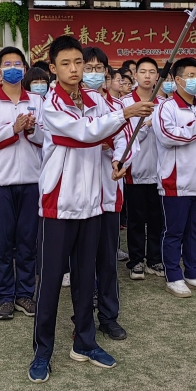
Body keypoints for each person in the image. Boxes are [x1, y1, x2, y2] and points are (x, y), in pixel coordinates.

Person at [28, 35, 153, 383]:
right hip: (59, 204)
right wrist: (124, 113)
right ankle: (42, 350)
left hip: (93, 203)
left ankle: (84, 341)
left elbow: (119, 137)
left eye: (78, 63)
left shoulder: (97, 100)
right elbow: (82, 134)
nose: (74, 69)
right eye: (65, 63)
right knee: (51, 281)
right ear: (52, 68)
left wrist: (119, 159)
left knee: (87, 277)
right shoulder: (49, 105)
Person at [0, 47, 42, 319]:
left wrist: (32, 130)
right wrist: (12, 130)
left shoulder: (37, 100)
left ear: (24, 69)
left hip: (31, 180)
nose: (13, 68)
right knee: (2, 241)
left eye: (18, 63)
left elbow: (47, 138)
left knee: (27, 241)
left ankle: (25, 294)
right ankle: (5, 295)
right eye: (7, 64)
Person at [153, 57, 196, 297]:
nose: (195, 81)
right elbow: (168, 137)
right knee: (174, 231)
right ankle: (173, 275)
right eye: (190, 76)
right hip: (176, 182)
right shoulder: (165, 107)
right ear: (178, 80)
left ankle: (193, 272)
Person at [87, 48, 129, 339]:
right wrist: (96, 142)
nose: (93, 72)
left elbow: (127, 140)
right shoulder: (71, 104)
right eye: (87, 66)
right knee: (83, 258)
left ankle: (108, 314)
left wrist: (117, 157)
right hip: (80, 196)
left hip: (109, 189)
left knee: (108, 258)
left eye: (99, 67)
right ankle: (83, 311)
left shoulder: (117, 106)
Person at [121, 57, 166, 280]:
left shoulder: (164, 103)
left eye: (152, 72)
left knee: (157, 219)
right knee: (137, 219)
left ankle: (155, 259)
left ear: (157, 76)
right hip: (135, 171)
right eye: (143, 72)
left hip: (159, 171)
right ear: (135, 75)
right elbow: (126, 137)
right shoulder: (126, 103)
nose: (147, 76)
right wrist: (146, 124)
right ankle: (136, 260)